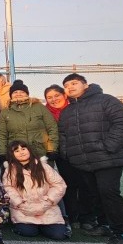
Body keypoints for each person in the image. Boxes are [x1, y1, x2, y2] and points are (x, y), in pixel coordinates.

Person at [58, 73, 123, 244]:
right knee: (94, 193)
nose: (70, 87)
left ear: (85, 85)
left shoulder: (106, 100)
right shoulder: (68, 111)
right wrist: (68, 152)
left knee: (109, 193)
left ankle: (121, 235)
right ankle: (104, 224)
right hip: (83, 161)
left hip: (108, 159)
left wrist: (109, 146)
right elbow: (63, 134)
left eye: (74, 83)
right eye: (67, 85)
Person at [3, 140, 69, 240]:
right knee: (28, 232)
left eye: (23, 149)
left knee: (59, 235)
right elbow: (7, 188)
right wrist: (19, 203)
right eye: (16, 151)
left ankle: (47, 226)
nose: (21, 152)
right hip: (24, 210)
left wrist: (49, 200)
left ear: (29, 150)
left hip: (47, 208)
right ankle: (29, 227)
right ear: (12, 155)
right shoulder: (10, 170)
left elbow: (59, 184)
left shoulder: (43, 166)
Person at [44, 84, 82, 229]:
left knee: (84, 183)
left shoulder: (75, 108)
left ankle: (88, 215)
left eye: (56, 95)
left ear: (64, 95)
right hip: (58, 153)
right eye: (49, 97)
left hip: (78, 150)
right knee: (67, 184)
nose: (53, 99)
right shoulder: (45, 112)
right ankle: (73, 216)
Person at [0, 80, 59, 163]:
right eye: (15, 92)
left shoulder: (38, 107)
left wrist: (51, 149)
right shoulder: (6, 112)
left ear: (27, 93)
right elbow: (2, 134)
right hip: (17, 154)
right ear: (11, 95)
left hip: (40, 152)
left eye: (22, 92)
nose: (18, 94)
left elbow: (52, 128)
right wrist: (3, 153)